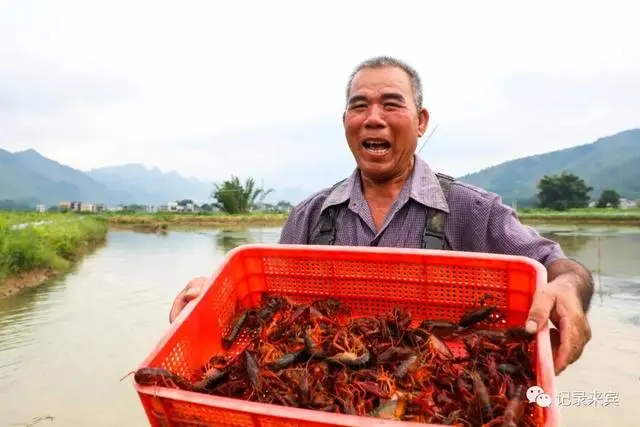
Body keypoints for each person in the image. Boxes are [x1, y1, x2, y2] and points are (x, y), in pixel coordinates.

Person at [169, 56, 593, 375]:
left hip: (440, 386)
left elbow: (559, 265)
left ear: (421, 120)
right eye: (360, 106)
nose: (373, 118)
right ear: (345, 122)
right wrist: (218, 296)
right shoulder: (308, 217)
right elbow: (271, 309)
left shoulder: (473, 210)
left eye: (391, 104)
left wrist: (569, 290)